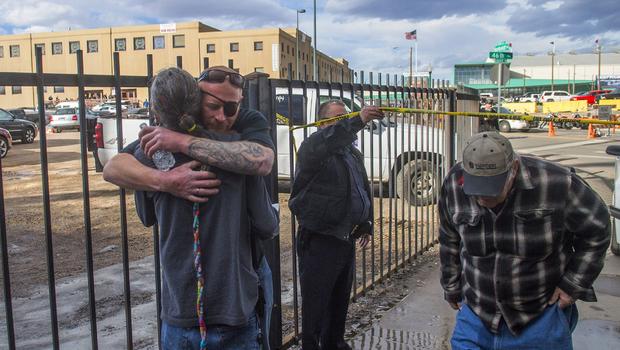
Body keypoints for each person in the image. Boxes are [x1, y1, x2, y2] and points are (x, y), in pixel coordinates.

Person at [127, 67, 278, 349]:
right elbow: (267, 225)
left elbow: (146, 216)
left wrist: (161, 179)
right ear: (195, 101)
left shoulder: (147, 154)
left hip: (180, 309)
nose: (223, 115)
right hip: (232, 308)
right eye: (214, 106)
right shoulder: (239, 153)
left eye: (232, 106)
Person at [438, 131, 610, 350]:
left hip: (540, 317)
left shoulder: (557, 183)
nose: (482, 199)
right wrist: (451, 286)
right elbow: (448, 236)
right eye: (476, 190)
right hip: (477, 315)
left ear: (514, 170)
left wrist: (573, 284)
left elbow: (597, 229)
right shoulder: (453, 183)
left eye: (491, 191)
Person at [289, 100, 384, 350]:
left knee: (339, 299)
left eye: (347, 117)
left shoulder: (350, 153)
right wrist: (357, 120)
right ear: (322, 124)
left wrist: (366, 222)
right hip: (320, 237)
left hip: (345, 236)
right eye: (338, 118)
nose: (344, 122)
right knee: (317, 303)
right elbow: (330, 139)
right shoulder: (313, 147)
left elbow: (361, 189)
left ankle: (335, 343)